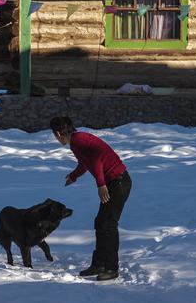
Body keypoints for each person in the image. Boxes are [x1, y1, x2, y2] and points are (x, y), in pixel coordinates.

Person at [50, 115, 132, 282]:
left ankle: (111, 267)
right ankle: (99, 264)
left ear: (58, 133)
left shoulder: (79, 140)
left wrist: (101, 185)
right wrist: (74, 176)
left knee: (108, 223)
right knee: (101, 222)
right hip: (115, 182)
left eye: (54, 135)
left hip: (119, 181)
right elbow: (85, 163)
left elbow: (95, 159)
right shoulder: (77, 141)